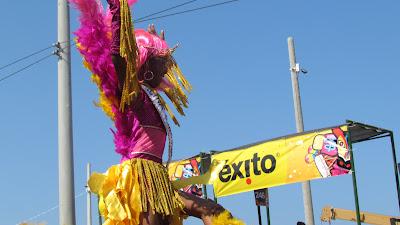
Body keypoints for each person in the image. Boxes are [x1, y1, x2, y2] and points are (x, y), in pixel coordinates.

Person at [69, 0, 245, 224]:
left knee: (211, 209)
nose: (167, 66)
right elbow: (118, 60)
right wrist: (117, 13)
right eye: (161, 60)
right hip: (141, 180)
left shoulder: (151, 97)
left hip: (159, 178)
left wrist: (157, 43)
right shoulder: (135, 96)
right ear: (146, 64)